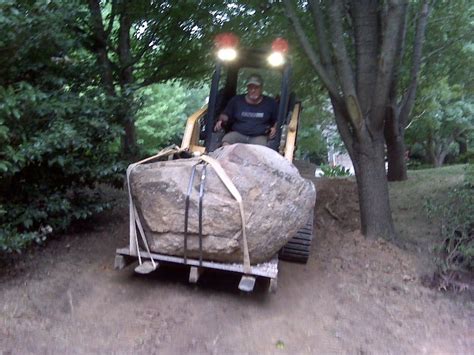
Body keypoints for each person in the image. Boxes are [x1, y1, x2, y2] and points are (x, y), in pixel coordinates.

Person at [214, 74, 278, 146]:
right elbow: (225, 115)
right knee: (227, 140)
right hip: (238, 133)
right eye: (250, 87)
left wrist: (275, 128)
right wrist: (221, 120)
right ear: (247, 88)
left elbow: (277, 120)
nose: (253, 90)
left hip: (259, 136)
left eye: (256, 87)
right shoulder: (236, 100)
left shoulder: (270, 103)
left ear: (261, 88)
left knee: (261, 149)